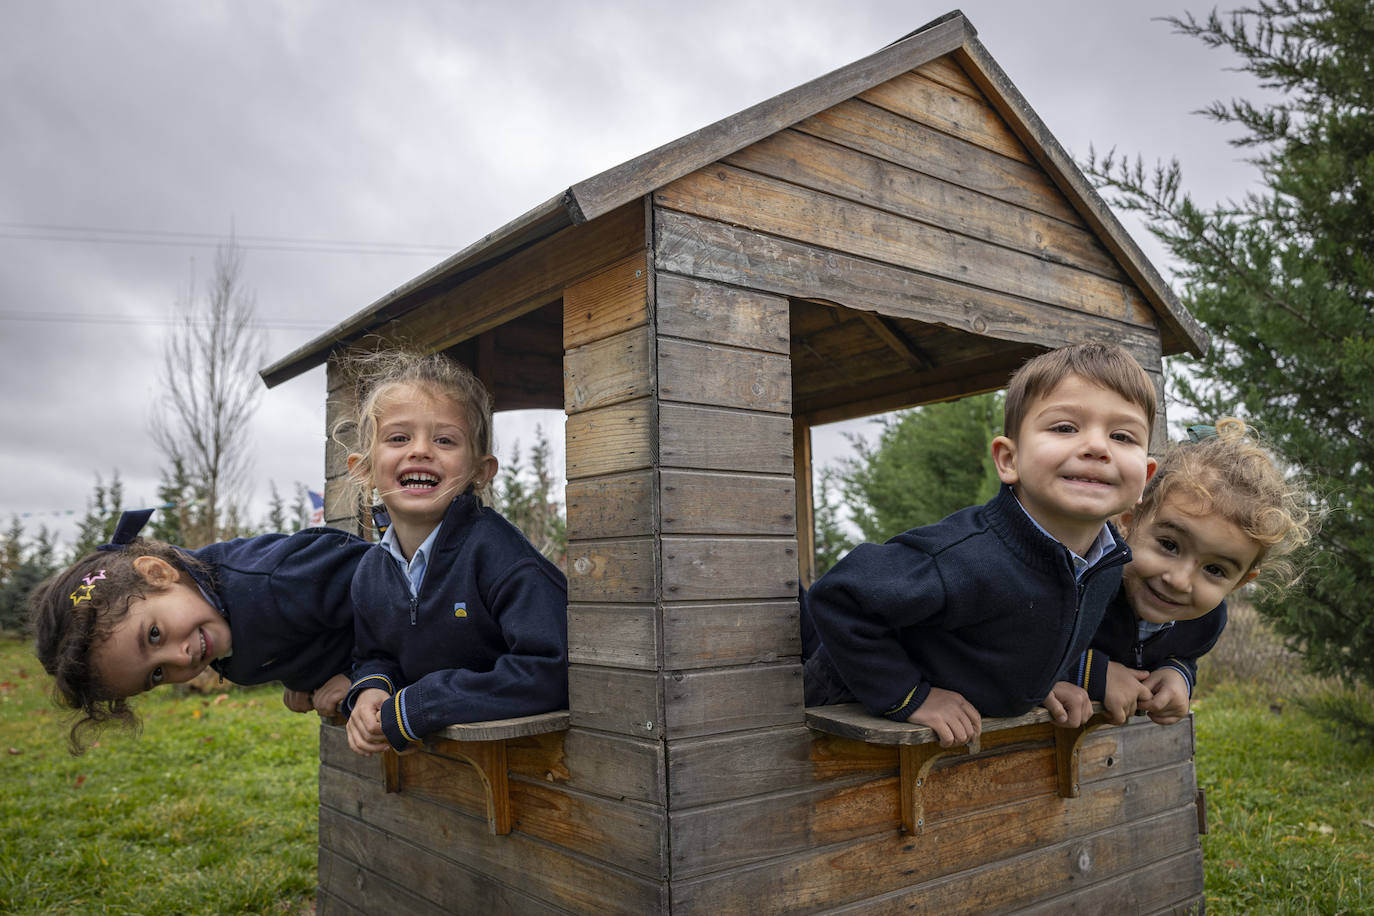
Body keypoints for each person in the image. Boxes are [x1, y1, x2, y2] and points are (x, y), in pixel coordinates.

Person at [804, 342, 1158, 747]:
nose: (1097, 447)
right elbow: (840, 598)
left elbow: (1021, 631)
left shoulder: (1107, 564)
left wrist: (1041, 681)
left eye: (1122, 435)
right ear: (1009, 460)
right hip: (847, 707)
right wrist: (908, 696)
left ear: (1144, 479)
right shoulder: (966, 555)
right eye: (1065, 427)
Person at [339, 351, 568, 757]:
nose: (421, 451)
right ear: (364, 469)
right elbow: (374, 655)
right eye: (398, 438)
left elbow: (553, 669)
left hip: (525, 765)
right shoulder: (370, 572)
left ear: (480, 471)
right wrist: (373, 687)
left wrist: (424, 705)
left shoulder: (498, 554)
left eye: (444, 439)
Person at [30, 509, 373, 754]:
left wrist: (360, 678)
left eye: (153, 635)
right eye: (157, 674)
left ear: (158, 573)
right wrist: (305, 679)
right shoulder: (217, 622)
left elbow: (405, 598)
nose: (181, 658)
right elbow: (298, 634)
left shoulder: (281, 580)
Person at [1071, 418, 1313, 726]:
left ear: (1239, 583)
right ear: (1128, 520)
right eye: (1169, 545)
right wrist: (1092, 672)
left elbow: (1184, 653)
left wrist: (1178, 675)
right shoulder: (1083, 582)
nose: (1179, 581)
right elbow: (1022, 639)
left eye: (1214, 569)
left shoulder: (1205, 621)